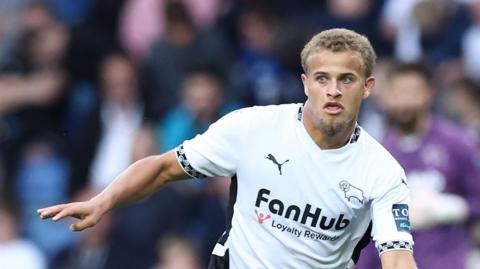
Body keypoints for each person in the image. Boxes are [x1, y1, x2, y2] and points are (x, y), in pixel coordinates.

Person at [38, 28, 417, 269]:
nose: (333, 90)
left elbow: (398, 258)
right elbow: (163, 168)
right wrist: (103, 201)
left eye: (346, 79)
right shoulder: (251, 127)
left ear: (367, 86)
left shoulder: (381, 172)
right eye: (323, 78)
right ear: (305, 83)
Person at [356, 63, 480, 269]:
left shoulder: (458, 144)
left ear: (429, 94)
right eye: (398, 93)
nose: (405, 101)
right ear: (385, 97)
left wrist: (457, 208)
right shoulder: (376, 155)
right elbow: (366, 232)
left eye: (413, 92)